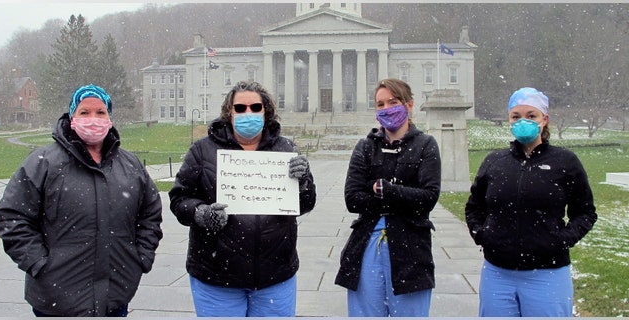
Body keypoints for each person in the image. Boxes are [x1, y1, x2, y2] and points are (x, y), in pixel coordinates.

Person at [0, 84, 163, 317]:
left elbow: (150, 214)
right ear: (72, 116)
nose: (93, 119)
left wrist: (140, 258)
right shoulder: (43, 163)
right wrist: (39, 264)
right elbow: (12, 216)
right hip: (56, 301)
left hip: (115, 296)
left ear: (110, 117)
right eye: (84, 112)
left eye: (100, 112)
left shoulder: (130, 166)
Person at [169, 80, 316, 317]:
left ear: (265, 111)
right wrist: (201, 213)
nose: (248, 113)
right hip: (216, 277)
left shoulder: (286, 149)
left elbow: (306, 204)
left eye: (255, 107)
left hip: (275, 277)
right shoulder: (202, 150)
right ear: (229, 112)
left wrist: (304, 182)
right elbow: (179, 199)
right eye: (240, 108)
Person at [465, 87, 597, 317]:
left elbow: (585, 213)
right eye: (516, 116)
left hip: (547, 274)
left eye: (531, 115)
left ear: (544, 120)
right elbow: (474, 207)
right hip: (498, 273)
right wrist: (482, 234)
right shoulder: (495, 162)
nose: (522, 121)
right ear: (509, 119)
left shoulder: (565, 162)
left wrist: (560, 240)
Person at [335, 78, 441, 317]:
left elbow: (428, 198)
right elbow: (352, 199)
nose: (386, 109)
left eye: (393, 102)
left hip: (411, 247)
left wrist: (384, 190)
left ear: (409, 105)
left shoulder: (426, 145)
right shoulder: (365, 147)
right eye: (380, 104)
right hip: (366, 244)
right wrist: (402, 197)